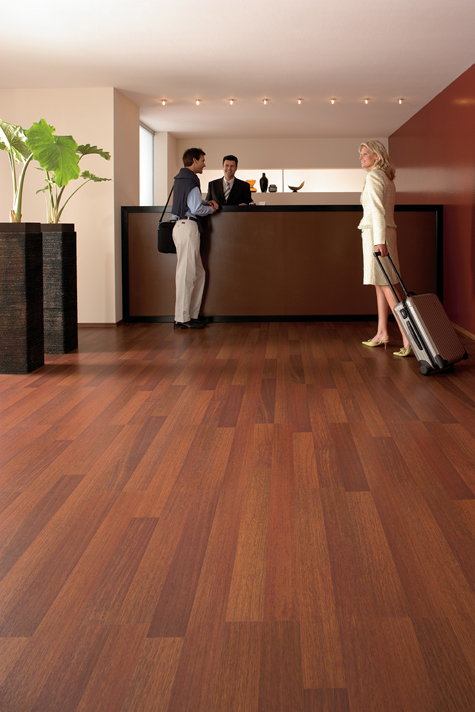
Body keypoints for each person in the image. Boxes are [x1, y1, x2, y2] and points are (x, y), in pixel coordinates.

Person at [358, 140, 412, 357]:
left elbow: (377, 211)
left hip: (376, 235)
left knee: (386, 285)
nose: (361, 157)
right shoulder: (386, 178)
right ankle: (382, 332)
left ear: (377, 156)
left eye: (365, 153)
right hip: (386, 233)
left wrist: (379, 241)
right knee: (381, 283)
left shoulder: (373, 177)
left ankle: (408, 337)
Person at [171, 148, 218, 329]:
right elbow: (196, 209)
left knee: (198, 273)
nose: (204, 164)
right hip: (187, 228)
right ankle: (182, 319)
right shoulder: (191, 180)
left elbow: (190, 203)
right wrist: (211, 208)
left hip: (182, 226)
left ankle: (191, 315)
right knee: (187, 274)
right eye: (202, 160)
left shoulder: (181, 178)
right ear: (194, 160)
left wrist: (205, 202)